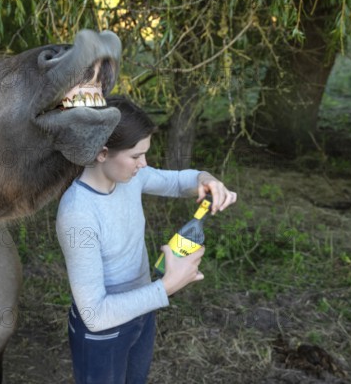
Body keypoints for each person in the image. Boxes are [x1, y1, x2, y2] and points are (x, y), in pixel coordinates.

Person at [55, 96, 237, 384]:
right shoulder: (78, 213)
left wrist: (207, 179)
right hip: (104, 334)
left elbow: (177, 182)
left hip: (143, 312)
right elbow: (94, 313)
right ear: (102, 153)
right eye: (136, 156)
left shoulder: (129, 177)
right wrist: (167, 286)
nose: (144, 164)